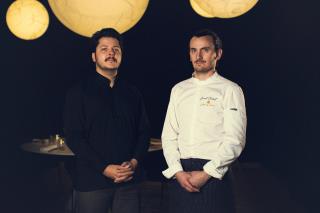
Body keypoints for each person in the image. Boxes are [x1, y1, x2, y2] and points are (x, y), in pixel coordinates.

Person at [64, 28, 150, 213]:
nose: (111, 53)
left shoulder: (133, 92)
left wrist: (134, 163)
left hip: (129, 181)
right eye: (104, 49)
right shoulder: (78, 93)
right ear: (94, 56)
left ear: (121, 56)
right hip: (92, 182)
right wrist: (104, 168)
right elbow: (74, 137)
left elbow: (144, 133)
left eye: (116, 49)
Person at [161, 29, 247, 213]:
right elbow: (168, 136)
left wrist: (207, 172)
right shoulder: (178, 89)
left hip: (214, 174)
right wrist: (177, 171)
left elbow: (235, 140)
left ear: (218, 53)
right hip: (181, 174)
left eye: (205, 50)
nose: (198, 56)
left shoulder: (230, 90)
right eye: (193, 50)